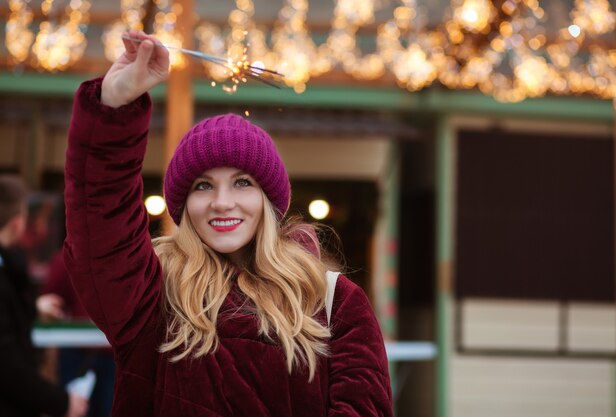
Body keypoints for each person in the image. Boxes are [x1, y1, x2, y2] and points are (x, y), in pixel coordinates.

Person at [63, 30, 393, 417]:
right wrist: (113, 108)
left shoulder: (335, 301)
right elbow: (100, 221)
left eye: (242, 183)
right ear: (184, 206)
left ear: (268, 201)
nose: (222, 202)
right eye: (203, 186)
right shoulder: (150, 296)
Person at [0, 175, 89, 417]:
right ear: (18, 222)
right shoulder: (61, 261)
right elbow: (7, 366)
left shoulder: (10, 272)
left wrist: (33, 308)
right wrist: (60, 402)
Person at [38, 250, 116, 417]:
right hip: (76, 355)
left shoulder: (124, 257)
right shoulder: (67, 257)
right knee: (75, 408)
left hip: (112, 358)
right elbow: (51, 299)